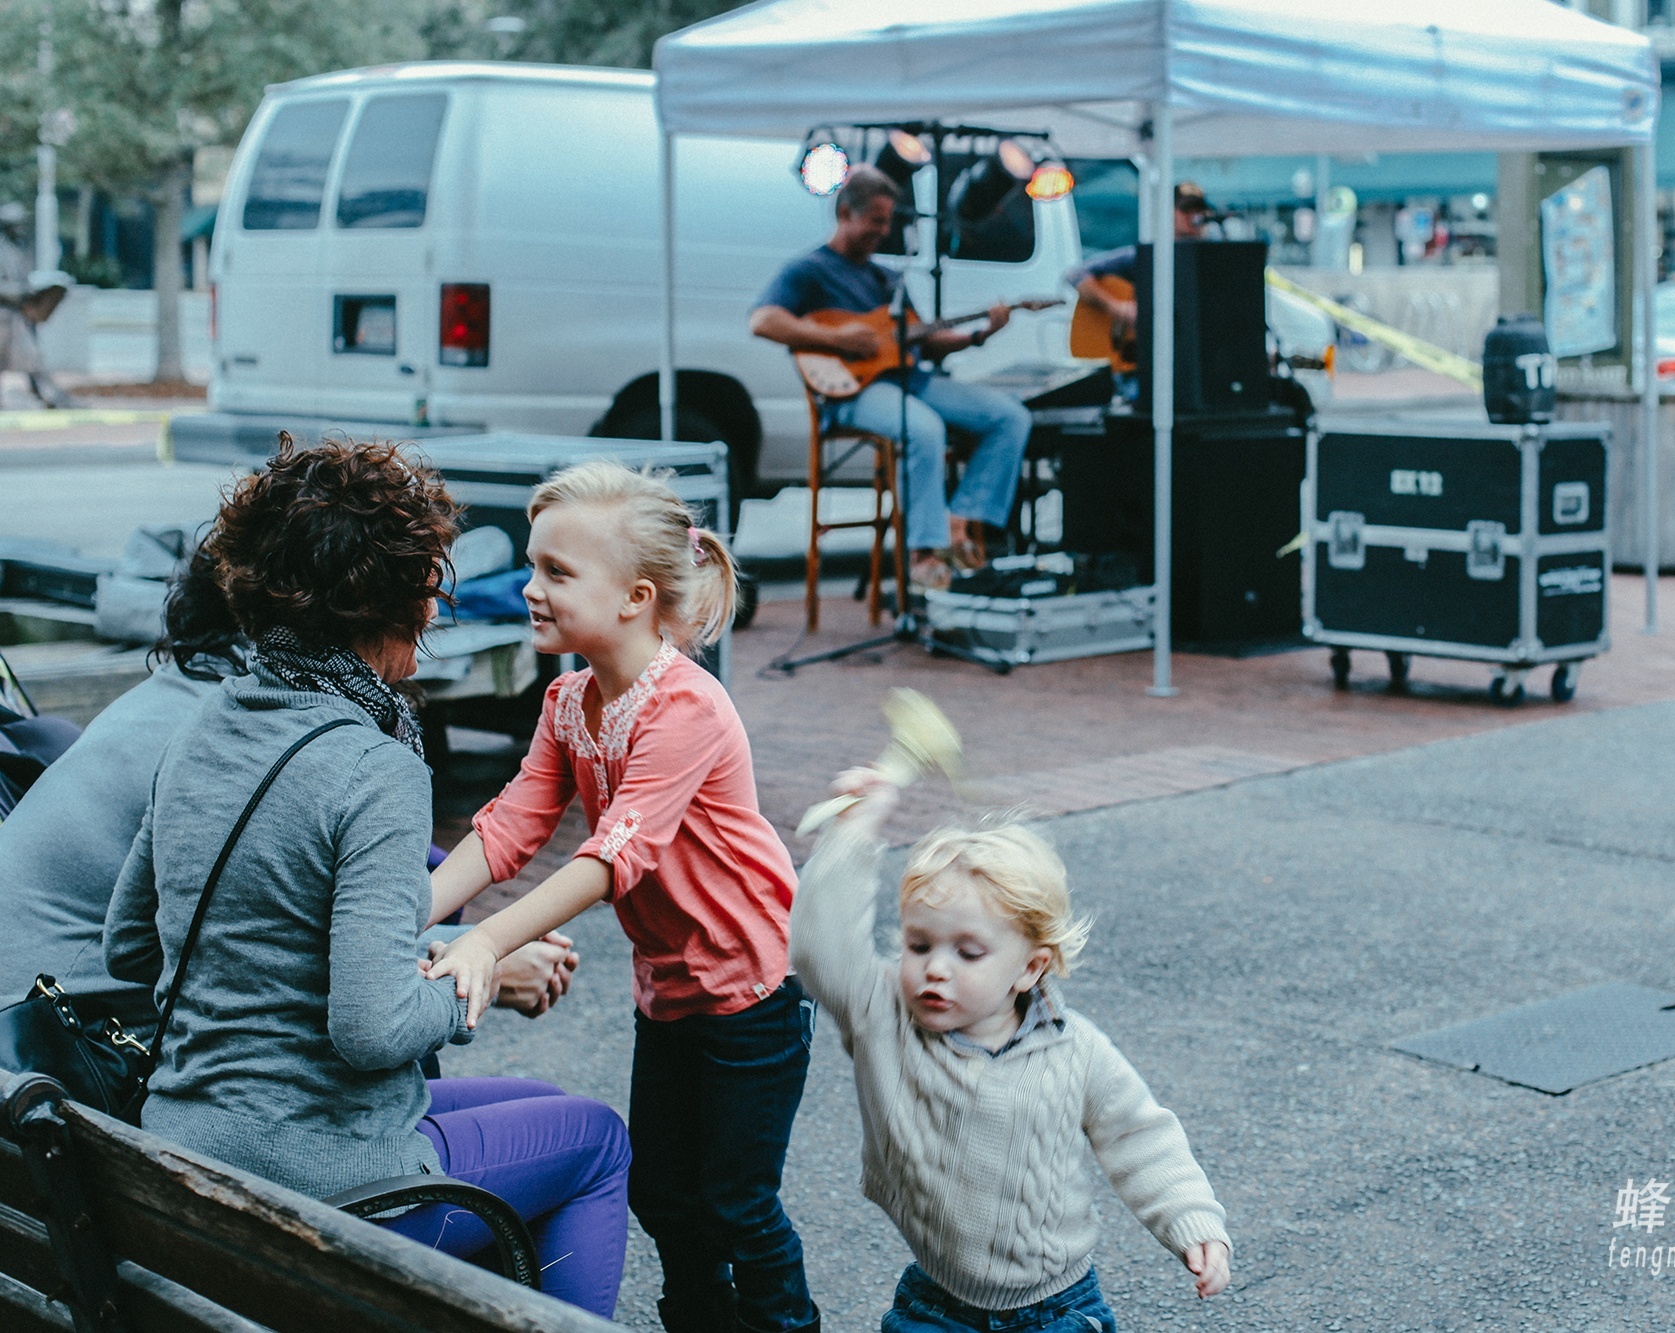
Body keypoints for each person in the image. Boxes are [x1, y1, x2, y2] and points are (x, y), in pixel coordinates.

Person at [103, 439, 630, 1317]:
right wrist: (485, 969)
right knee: (597, 1140)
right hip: (324, 1184)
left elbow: (129, 947)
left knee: (540, 1103)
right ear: (382, 600)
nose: (436, 603)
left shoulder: (203, 726)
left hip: (184, 1148)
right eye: (428, 582)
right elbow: (372, 1027)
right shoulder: (372, 766)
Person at [425, 461, 816, 1333]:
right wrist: (411, 907)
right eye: (533, 565)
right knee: (665, 1194)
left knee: (738, 1204)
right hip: (670, 988)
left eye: (556, 573)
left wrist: (484, 940)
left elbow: (611, 860)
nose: (529, 588)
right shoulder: (570, 700)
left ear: (637, 597)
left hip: (749, 990)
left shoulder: (686, 708)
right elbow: (510, 826)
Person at [0, 544, 578, 1028]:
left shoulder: (191, 704)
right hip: (53, 1042)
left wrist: (473, 936)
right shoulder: (230, 745)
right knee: (589, 1136)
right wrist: (480, 961)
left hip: (29, 1026)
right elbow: (311, 969)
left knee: (424, 861)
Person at [789, 770, 1233, 1333]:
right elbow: (818, 945)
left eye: (968, 952)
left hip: (1058, 1308)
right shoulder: (884, 1014)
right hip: (937, 1302)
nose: (936, 968)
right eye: (918, 944)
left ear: (1029, 968)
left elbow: (1141, 1138)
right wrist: (854, 832)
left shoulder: (1077, 1052)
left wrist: (1193, 1222)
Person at [750, 165, 1032, 590]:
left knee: (1010, 417)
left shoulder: (887, 278)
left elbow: (925, 341)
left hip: (909, 380)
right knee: (922, 428)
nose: (884, 231)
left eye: (887, 221)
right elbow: (763, 321)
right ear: (845, 213)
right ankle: (923, 554)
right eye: (876, 220)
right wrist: (838, 339)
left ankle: (961, 520)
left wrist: (981, 333)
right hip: (852, 392)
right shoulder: (808, 271)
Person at [1064, 181, 1219, 351]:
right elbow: (1075, 274)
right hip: (1144, 354)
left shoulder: (1213, 258)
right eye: (1186, 209)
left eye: (1199, 210)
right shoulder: (1145, 255)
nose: (1194, 216)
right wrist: (1117, 307)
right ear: (1168, 213)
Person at [0, 202, 67, 409]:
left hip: (19, 314)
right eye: (17, 225)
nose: (22, 229)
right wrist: (25, 291)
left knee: (32, 358)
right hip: (2, 317)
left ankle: (47, 395)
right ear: (6, 226)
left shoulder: (18, 249)